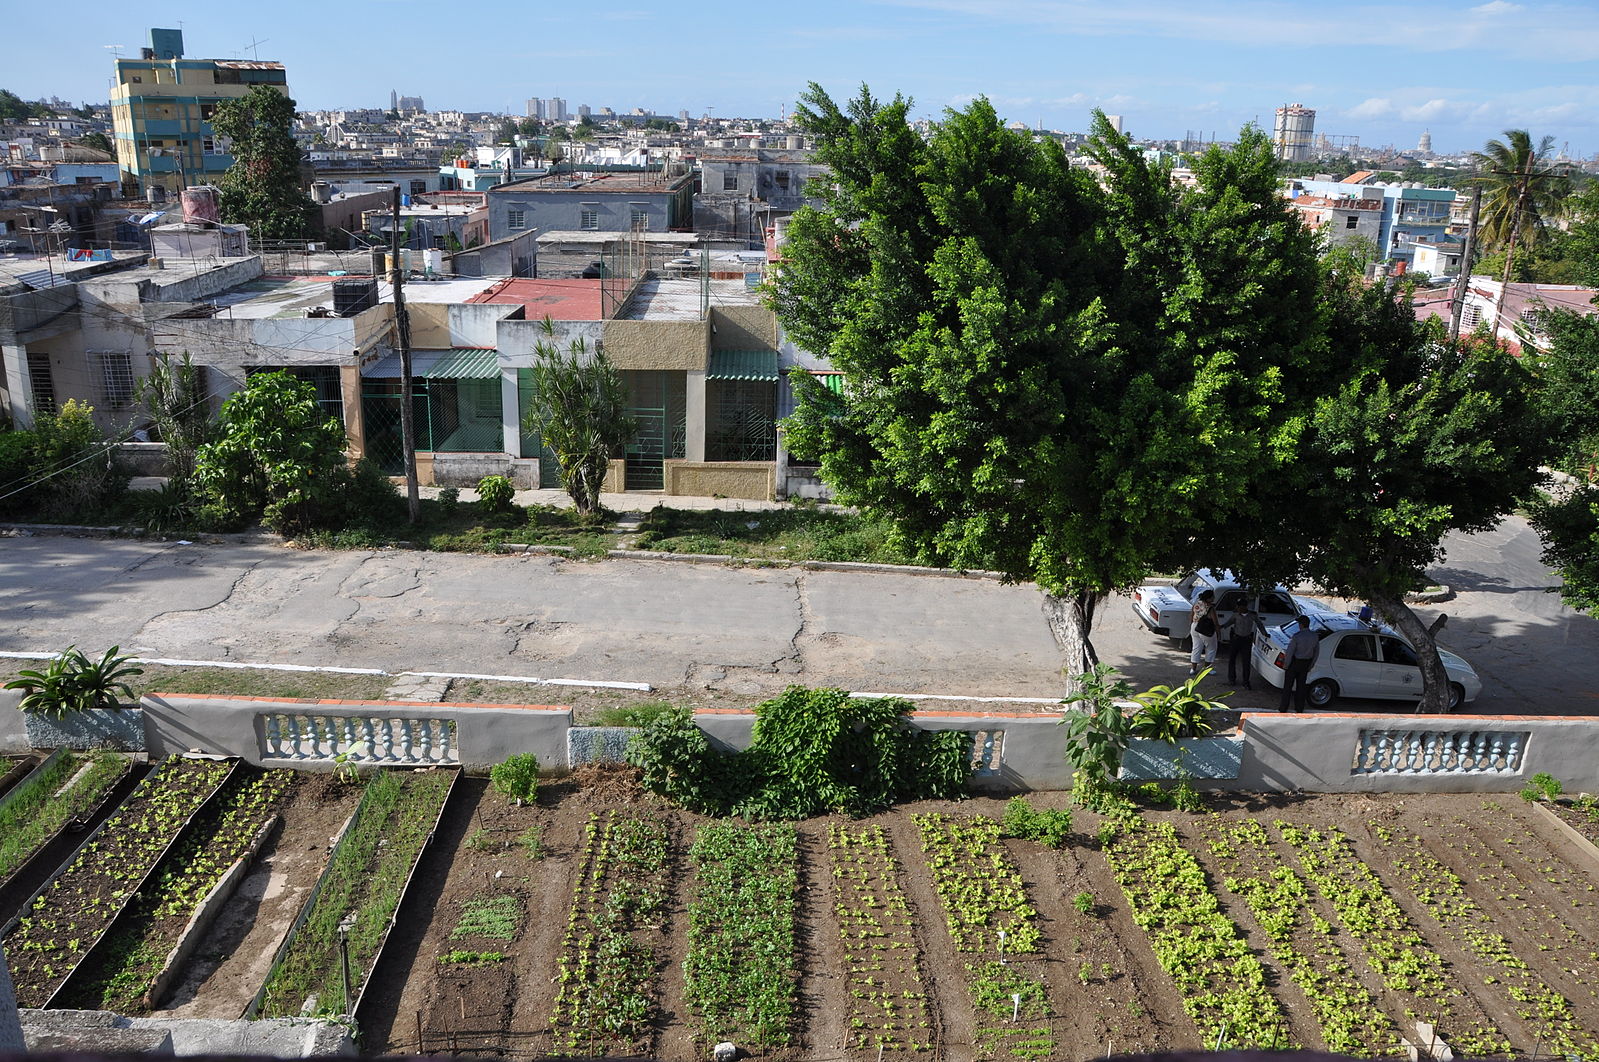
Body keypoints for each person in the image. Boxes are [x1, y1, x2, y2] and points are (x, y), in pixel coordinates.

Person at [1280, 615, 1320, 712]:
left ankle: (1283, 707)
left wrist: (1286, 665)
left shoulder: (1297, 636)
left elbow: (1290, 652)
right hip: (1305, 663)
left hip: (1294, 663)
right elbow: (1316, 653)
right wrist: (1311, 665)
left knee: (1288, 687)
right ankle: (1299, 708)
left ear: (1301, 625)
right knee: (1301, 687)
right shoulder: (1314, 636)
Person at [1227, 600, 1257, 689]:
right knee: (1232, 659)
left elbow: (1259, 624)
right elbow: (1229, 622)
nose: (1238, 609)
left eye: (1240, 607)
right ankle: (1232, 679)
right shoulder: (1236, 615)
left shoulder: (1252, 615)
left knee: (1246, 661)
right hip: (1236, 638)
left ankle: (1246, 681)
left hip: (1246, 639)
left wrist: (1265, 633)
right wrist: (1220, 627)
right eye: (1238, 607)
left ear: (1245, 607)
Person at [1189, 590, 1219, 678]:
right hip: (1205, 628)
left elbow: (1191, 614)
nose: (1214, 598)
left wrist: (1191, 624)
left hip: (1194, 626)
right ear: (1209, 598)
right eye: (1212, 596)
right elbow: (1215, 621)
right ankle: (1207, 668)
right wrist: (1218, 632)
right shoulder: (1210, 607)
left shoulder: (1197, 603)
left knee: (1196, 647)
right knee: (1211, 648)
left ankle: (1193, 669)